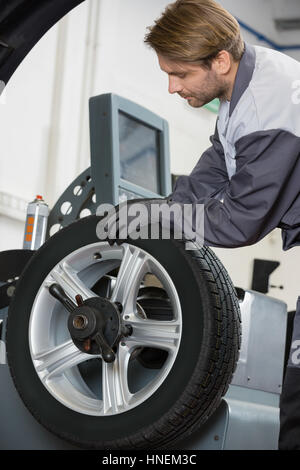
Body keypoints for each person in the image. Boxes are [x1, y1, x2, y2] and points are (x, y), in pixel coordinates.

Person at [144, 0, 300, 450]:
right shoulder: (243, 88)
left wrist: (158, 219)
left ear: (220, 61)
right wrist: (163, 214)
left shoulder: (269, 105)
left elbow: (239, 222)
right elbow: (217, 165)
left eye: (181, 74)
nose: (172, 87)